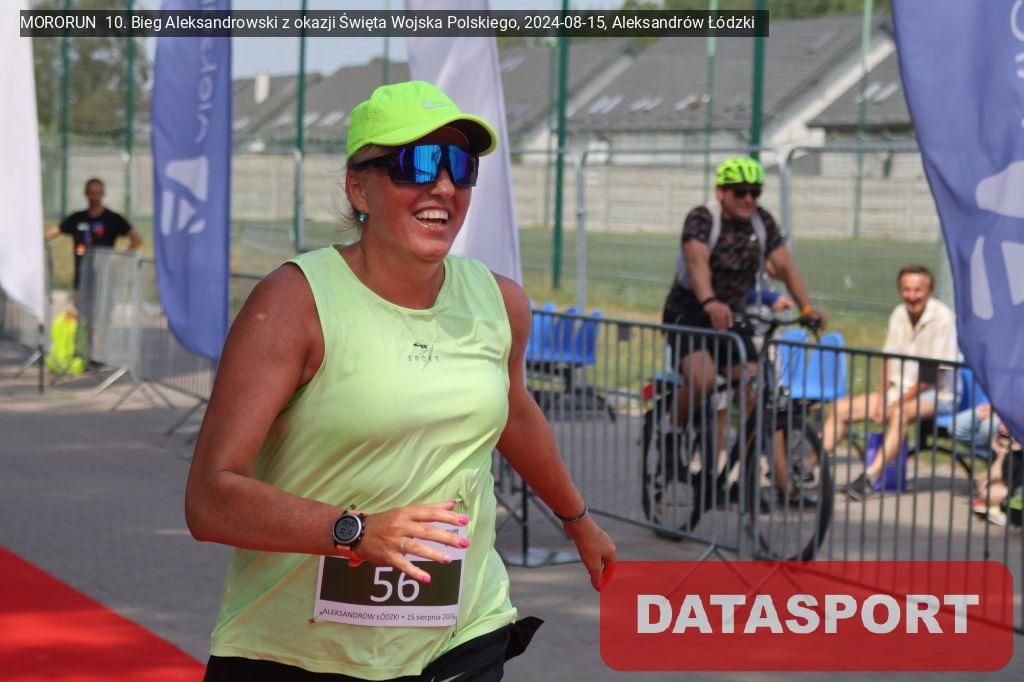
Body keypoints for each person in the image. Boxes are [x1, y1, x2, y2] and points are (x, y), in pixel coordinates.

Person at [184, 80, 615, 681]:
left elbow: (514, 413)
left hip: (459, 636)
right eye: (418, 162)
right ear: (358, 187)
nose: (443, 186)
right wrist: (355, 532)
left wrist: (577, 520)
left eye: (460, 166)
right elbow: (209, 500)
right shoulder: (293, 304)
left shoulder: (500, 302)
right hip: (298, 653)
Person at [661, 156, 826, 501]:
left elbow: (785, 265)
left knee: (758, 392)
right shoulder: (702, 218)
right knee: (704, 380)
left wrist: (807, 308)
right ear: (721, 192)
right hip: (690, 315)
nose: (748, 198)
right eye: (740, 192)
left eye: (755, 192)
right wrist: (709, 301)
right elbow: (697, 262)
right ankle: (670, 433)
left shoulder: (761, 222)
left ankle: (758, 481)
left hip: (732, 320)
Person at [822, 265, 958, 500]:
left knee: (899, 414)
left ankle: (870, 477)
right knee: (841, 408)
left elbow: (930, 377)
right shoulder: (899, 314)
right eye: (906, 290)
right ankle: (809, 466)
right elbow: (888, 358)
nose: (911, 296)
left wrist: (894, 404)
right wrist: (880, 398)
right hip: (900, 389)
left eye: (917, 290)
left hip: (937, 393)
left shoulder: (944, 319)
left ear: (930, 290)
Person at [44, 178, 143, 290]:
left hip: (104, 278)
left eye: (98, 193)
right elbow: (54, 232)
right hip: (82, 277)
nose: (95, 197)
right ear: (86, 193)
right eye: (92, 193)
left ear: (103, 194)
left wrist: (121, 261)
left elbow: (136, 238)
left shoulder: (112, 218)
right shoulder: (77, 218)